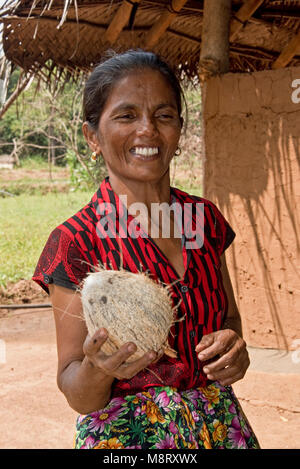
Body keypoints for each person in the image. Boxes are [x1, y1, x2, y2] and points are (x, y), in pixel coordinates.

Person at [32, 50, 260, 450]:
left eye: (163, 115)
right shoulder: (75, 241)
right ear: (92, 137)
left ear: (179, 129)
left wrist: (233, 350)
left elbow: (229, 318)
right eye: (126, 115)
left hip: (221, 429)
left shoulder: (202, 219)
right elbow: (77, 393)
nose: (148, 130)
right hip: (130, 441)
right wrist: (97, 368)